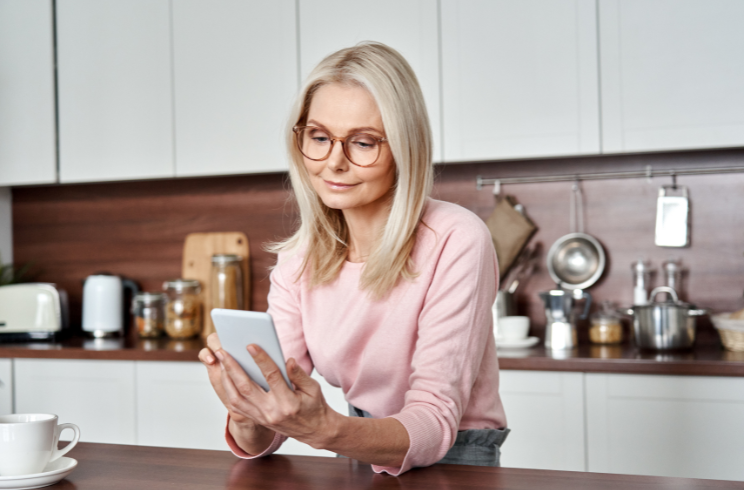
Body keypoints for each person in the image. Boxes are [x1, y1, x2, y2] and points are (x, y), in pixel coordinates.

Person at [199, 41, 508, 476]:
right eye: (319, 137)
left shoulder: (456, 238)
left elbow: (435, 420)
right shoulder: (298, 261)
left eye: (363, 142)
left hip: (456, 455)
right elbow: (266, 435)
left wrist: (326, 430)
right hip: (359, 439)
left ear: (404, 148)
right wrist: (249, 412)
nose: (334, 162)